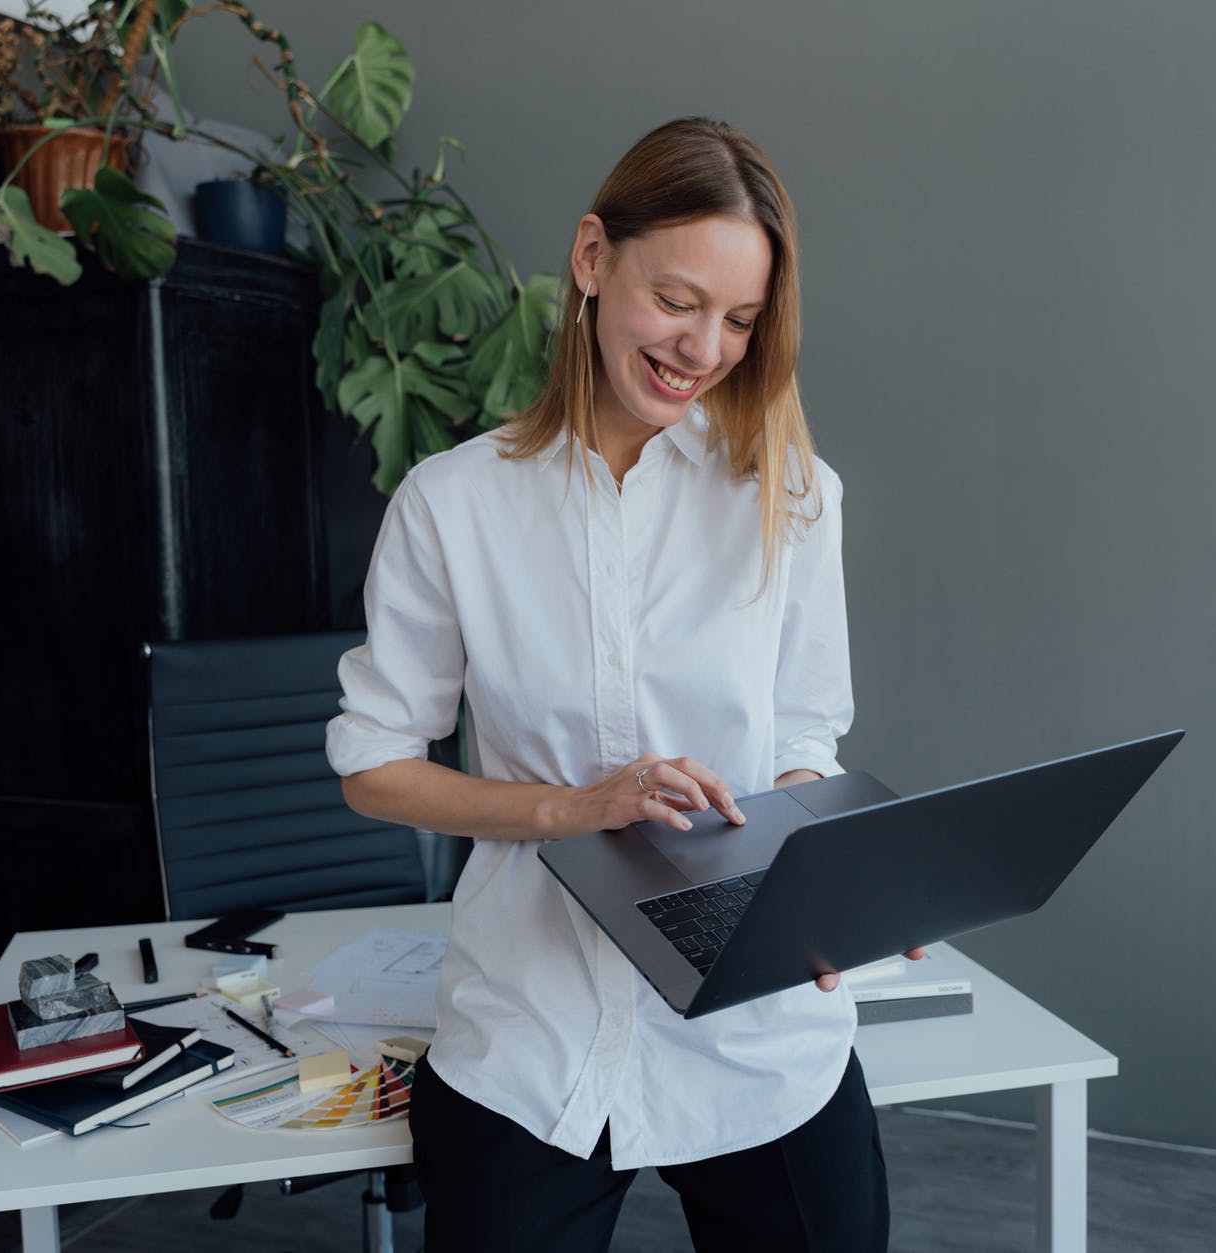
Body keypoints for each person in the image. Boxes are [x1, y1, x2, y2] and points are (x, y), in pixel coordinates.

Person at [327, 117, 915, 1253]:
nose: (702, 347)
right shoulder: (452, 505)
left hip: (756, 1036)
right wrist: (576, 807)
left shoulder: (792, 495)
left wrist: (838, 882)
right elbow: (375, 765)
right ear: (592, 260)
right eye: (678, 300)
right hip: (532, 1037)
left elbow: (805, 732)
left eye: (739, 320)